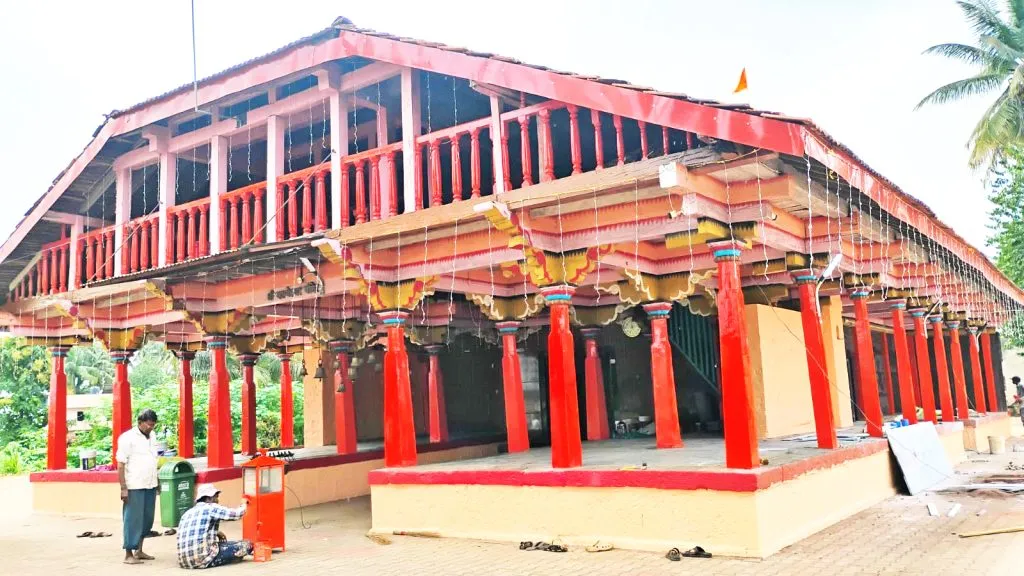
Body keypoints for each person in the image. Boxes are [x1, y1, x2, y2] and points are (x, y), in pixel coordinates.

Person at [116, 409, 159, 565]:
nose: (151, 428)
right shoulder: (127, 438)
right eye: (148, 425)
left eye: (153, 425)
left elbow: (154, 460)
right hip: (134, 485)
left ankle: (139, 550)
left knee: (147, 519)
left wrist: (157, 481)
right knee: (132, 520)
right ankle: (128, 554)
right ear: (140, 422)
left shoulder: (152, 436)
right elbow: (120, 464)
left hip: (150, 483)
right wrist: (123, 487)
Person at [177, 484, 253, 569]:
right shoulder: (211, 507)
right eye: (216, 497)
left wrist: (217, 533)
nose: (217, 500)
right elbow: (237, 514)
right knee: (247, 545)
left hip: (184, 562)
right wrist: (244, 504)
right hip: (203, 559)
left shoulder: (187, 513)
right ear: (209, 498)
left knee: (224, 542)